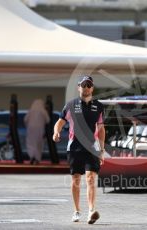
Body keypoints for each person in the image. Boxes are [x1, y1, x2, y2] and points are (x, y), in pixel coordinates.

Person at [53, 76, 105, 224]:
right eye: (84, 85)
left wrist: (102, 150)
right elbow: (60, 122)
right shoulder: (70, 105)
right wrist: (56, 132)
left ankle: (91, 211)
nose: (86, 87)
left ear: (92, 88)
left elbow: (101, 129)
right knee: (76, 179)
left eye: (89, 85)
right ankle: (76, 211)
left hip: (92, 147)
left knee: (91, 178)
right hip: (74, 147)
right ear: (79, 87)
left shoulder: (99, 106)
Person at [24, 99, 50, 165]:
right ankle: (37, 159)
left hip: (30, 129)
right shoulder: (43, 111)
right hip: (40, 129)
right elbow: (48, 120)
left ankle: (32, 156)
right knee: (39, 143)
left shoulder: (31, 111)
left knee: (31, 143)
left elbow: (25, 119)